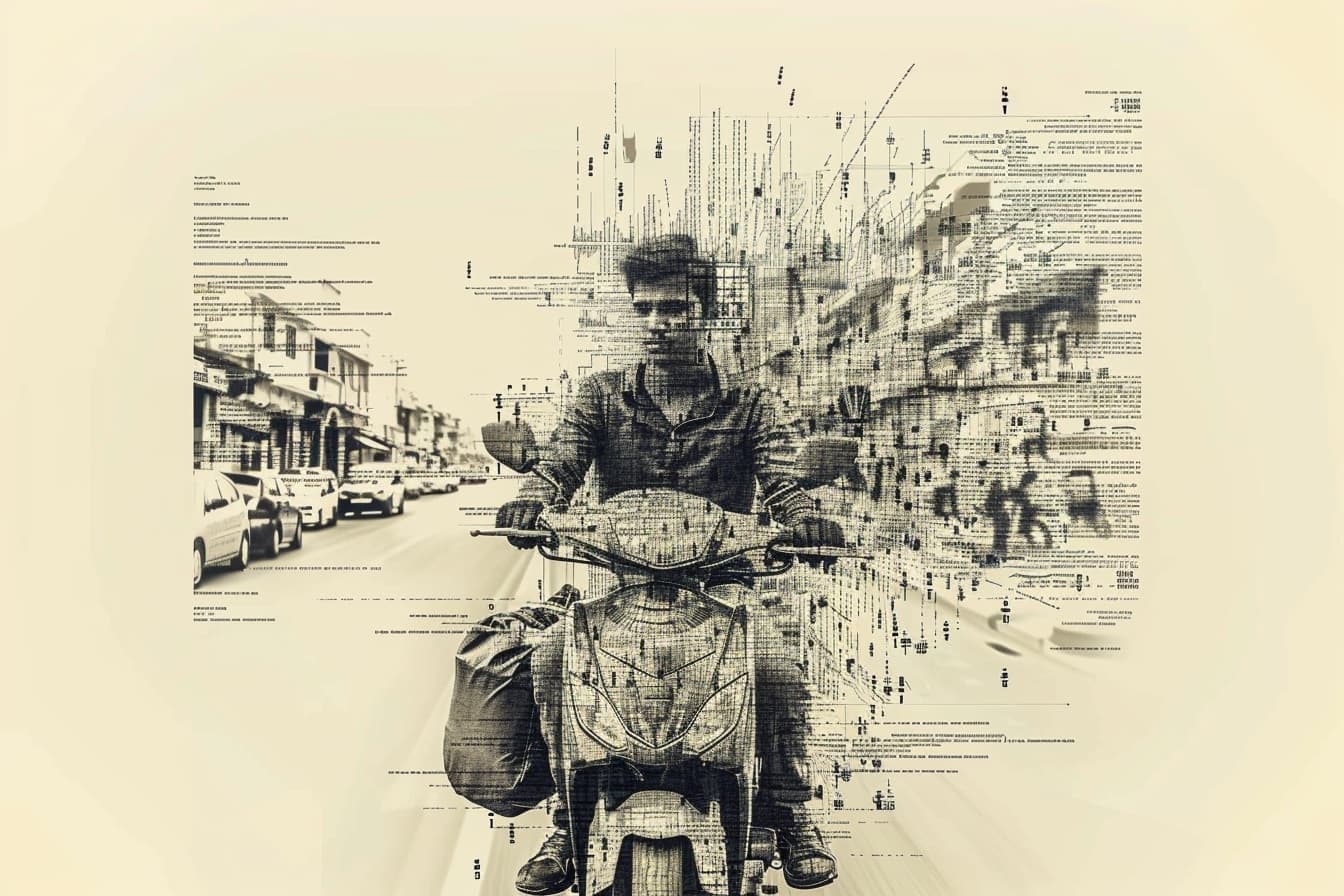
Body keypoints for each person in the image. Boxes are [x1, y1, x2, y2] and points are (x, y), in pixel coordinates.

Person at [496, 234, 845, 893]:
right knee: (549, 660)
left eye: (676, 308)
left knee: (777, 670)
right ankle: (566, 822)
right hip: (623, 593)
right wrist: (531, 501)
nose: (658, 323)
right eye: (646, 308)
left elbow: (784, 483)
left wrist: (806, 520)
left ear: (705, 312)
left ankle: (792, 813)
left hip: (725, 592)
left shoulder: (750, 403)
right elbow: (558, 465)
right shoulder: (601, 397)